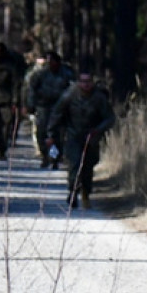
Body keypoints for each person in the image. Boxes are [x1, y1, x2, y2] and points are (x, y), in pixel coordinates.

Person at [47, 70, 115, 208]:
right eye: (83, 82)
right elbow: (57, 114)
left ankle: (86, 192)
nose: (86, 85)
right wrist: (51, 134)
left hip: (92, 136)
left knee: (88, 165)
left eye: (88, 82)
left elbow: (110, 118)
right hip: (73, 135)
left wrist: (98, 130)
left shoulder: (99, 98)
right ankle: (73, 192)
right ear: (78, 83)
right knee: (75, 164)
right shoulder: (69, 95)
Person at [27, 52, 75, 168]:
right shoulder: (40, 74)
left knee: (57, 135)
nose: (51, 64)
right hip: (43, 106)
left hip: (60, 108)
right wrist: (30, 105)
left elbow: (73, 90)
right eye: (49, 62)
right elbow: (32, 90)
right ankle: (45, 156)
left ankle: (54, 157)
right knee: (42, 133)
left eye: (53, 62)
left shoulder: (67, 74)